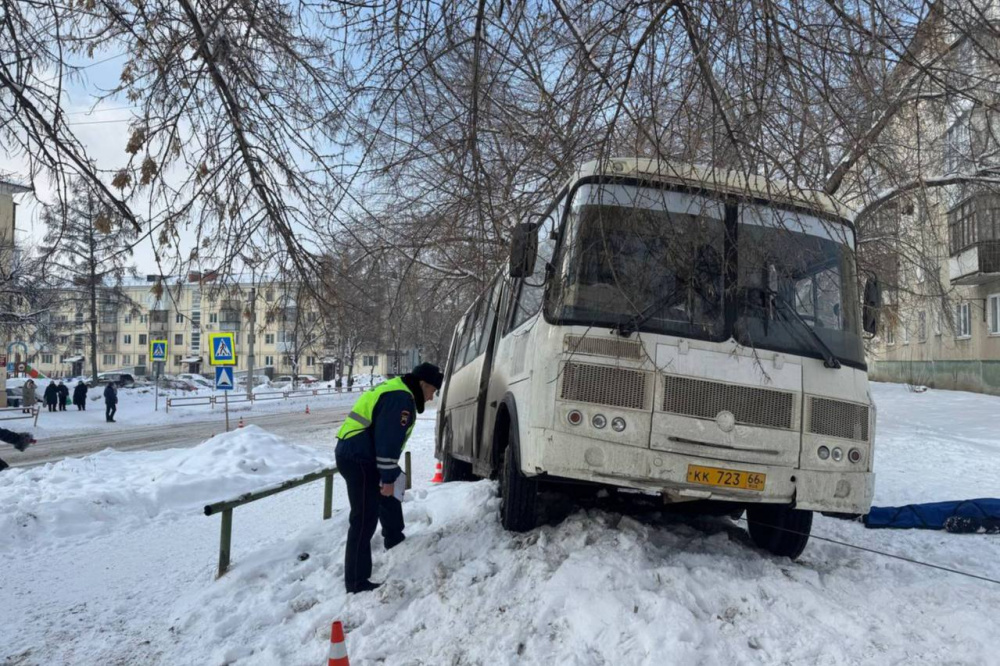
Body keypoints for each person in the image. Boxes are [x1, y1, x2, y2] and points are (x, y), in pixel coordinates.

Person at [335, 362, 443, 594]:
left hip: (360, 453)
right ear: (423, 384)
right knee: (364, 518)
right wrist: (387, 479)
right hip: (359, 458)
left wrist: (391, 477)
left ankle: (394, 537)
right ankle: (356, 581)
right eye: (432, 391)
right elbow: (386, 444)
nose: (432, 398)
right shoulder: (401, 399)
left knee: (396, 483)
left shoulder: (399, 390)